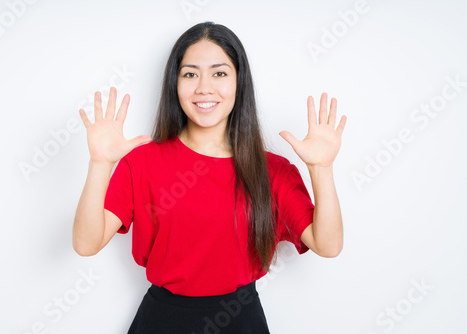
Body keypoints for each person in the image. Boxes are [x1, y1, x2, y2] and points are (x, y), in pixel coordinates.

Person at [72, 21, 346, 334]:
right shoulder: (142, 161)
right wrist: (99, 163)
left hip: (241, 321)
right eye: (190, 73)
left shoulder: (273, 171)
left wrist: (321, 169)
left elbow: (328, 245)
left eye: (219, 73)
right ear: (175, 83)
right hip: (162, 321)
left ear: (239, 82)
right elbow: (86, 244)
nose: (204, 87)